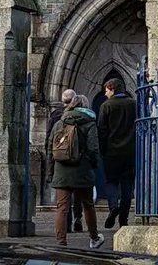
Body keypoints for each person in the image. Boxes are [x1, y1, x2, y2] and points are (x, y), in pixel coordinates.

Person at [49, 94, 104, 249]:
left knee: (62, 207)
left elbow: (51, 146)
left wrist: (52, 169)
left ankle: (61, 242)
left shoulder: (60, 122)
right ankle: (94, 238)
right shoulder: (89, 123)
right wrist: (93, 164)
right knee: (88, 205)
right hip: (82, 169)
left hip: (62, 169)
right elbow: (93, 148)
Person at [98, 75, 137, 228]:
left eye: (106, 90)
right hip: (130, 151)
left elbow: (102, 130)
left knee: (111, 182)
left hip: (112, 151)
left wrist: (102, 150)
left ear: (112, 89)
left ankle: (113, 206)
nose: (105, 93)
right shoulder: (133, 104)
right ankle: (123, 220)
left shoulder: (106, 106)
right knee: (127, 186)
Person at [46, 88, 86, 232]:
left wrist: (50, 165)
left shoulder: (56, 116)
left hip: (61, 161)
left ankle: (64, 229)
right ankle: (78, 218)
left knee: (63, 200)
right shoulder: (83, 117)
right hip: (78, 160)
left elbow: (49, 141)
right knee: (78, 193)